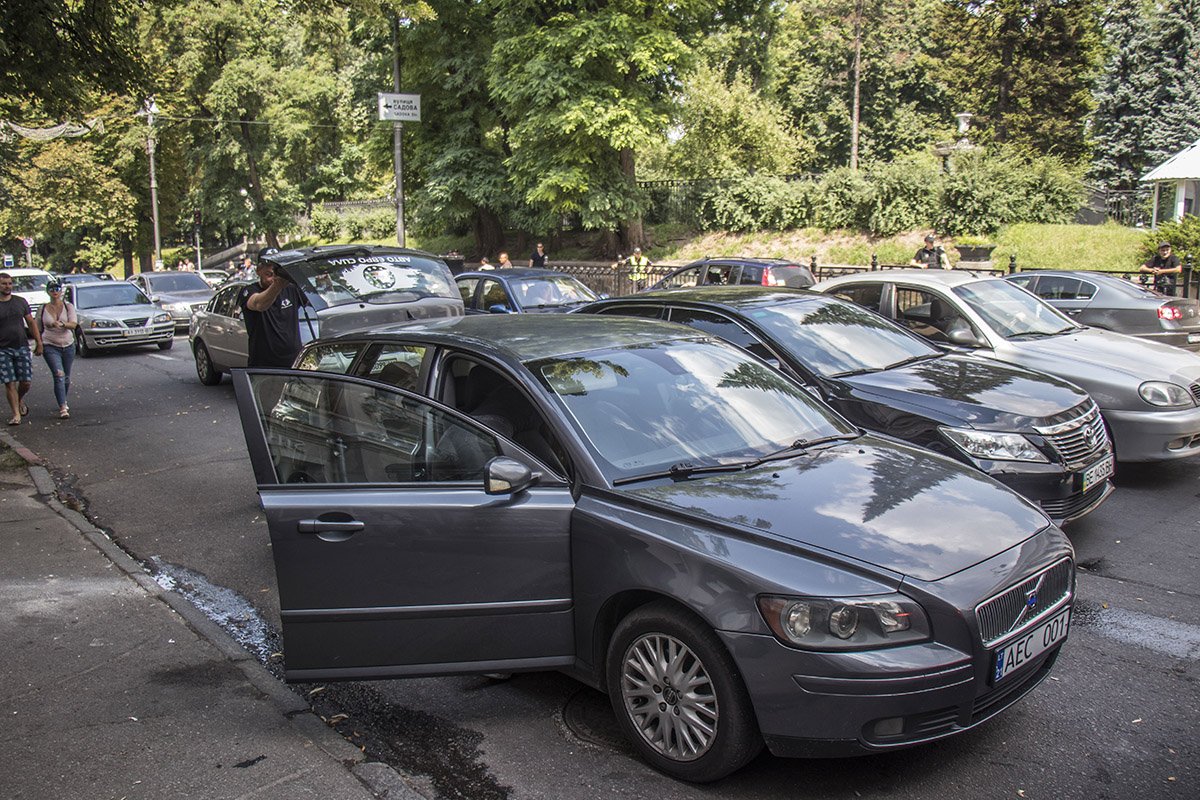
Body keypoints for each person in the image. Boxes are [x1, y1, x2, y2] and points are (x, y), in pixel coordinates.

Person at [237, 253, 307, 368]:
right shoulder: (249, 291)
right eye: (269, 274)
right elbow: (259, 304)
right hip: (264, 365)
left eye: (277, 274)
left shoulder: (291, 289)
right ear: (259, 271)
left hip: (294, 362)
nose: (273, 278)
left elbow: (317, 300)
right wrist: (277, 285)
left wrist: (325, 284)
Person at [0, 272, 44, 425]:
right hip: (2, 349)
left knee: (25, 381)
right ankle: (16, 414)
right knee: (9, 382)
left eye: (10, 283)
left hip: (22, 346)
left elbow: (31, 323)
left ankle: (19, 399)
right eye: (4, 284)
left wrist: (39, 342)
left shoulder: (20, 302)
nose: (7, 286)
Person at [38, 280, 76, 419]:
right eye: (52, 289)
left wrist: (63, 324)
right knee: (58, 375)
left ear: (61, 291)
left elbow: (74, 324)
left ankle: (63, 399)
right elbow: (37, 327)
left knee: (66, 377)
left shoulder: (68, 306)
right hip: (50, 344)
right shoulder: (43, 308)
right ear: (48, 291)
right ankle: (62, 407)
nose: (55, 291)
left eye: (57, 289)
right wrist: (39, 343)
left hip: (67, 344)